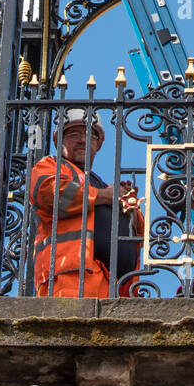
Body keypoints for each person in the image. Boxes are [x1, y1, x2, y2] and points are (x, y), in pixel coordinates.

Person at [30, 108, 143, 297]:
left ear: (97, 145)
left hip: (112, 286)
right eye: (74, 134)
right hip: (68, 278)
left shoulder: (100, 184)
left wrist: (130, 207)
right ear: (59, 141)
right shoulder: (51, 167)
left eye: (91, 135)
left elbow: (138, 236)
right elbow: (50, 193)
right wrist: (105, 196)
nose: (83, 140)